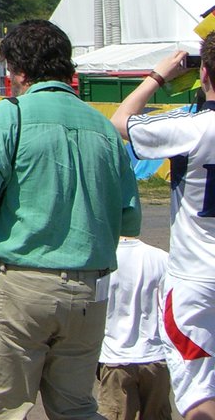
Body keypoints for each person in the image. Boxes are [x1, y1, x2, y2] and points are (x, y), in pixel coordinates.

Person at [0, 19, 140, 420]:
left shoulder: (10, 115)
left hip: (24, 283)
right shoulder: (104, 129)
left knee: (3, 410)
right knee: (77, 408)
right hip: (89, 289)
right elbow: (129, 221)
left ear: (19, 71)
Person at [110, 39, 214, 420]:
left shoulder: (193, 126)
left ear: (203, 72)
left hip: (195, 280)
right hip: (196, 280)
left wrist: (158, 75)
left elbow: (121, 122)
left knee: (199, 392)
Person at [96, 235, 171, 420]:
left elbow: (94, 311)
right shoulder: (161, 258)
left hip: (115, 357)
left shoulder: (101, 259)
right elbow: (170, 309)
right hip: (155, 356)